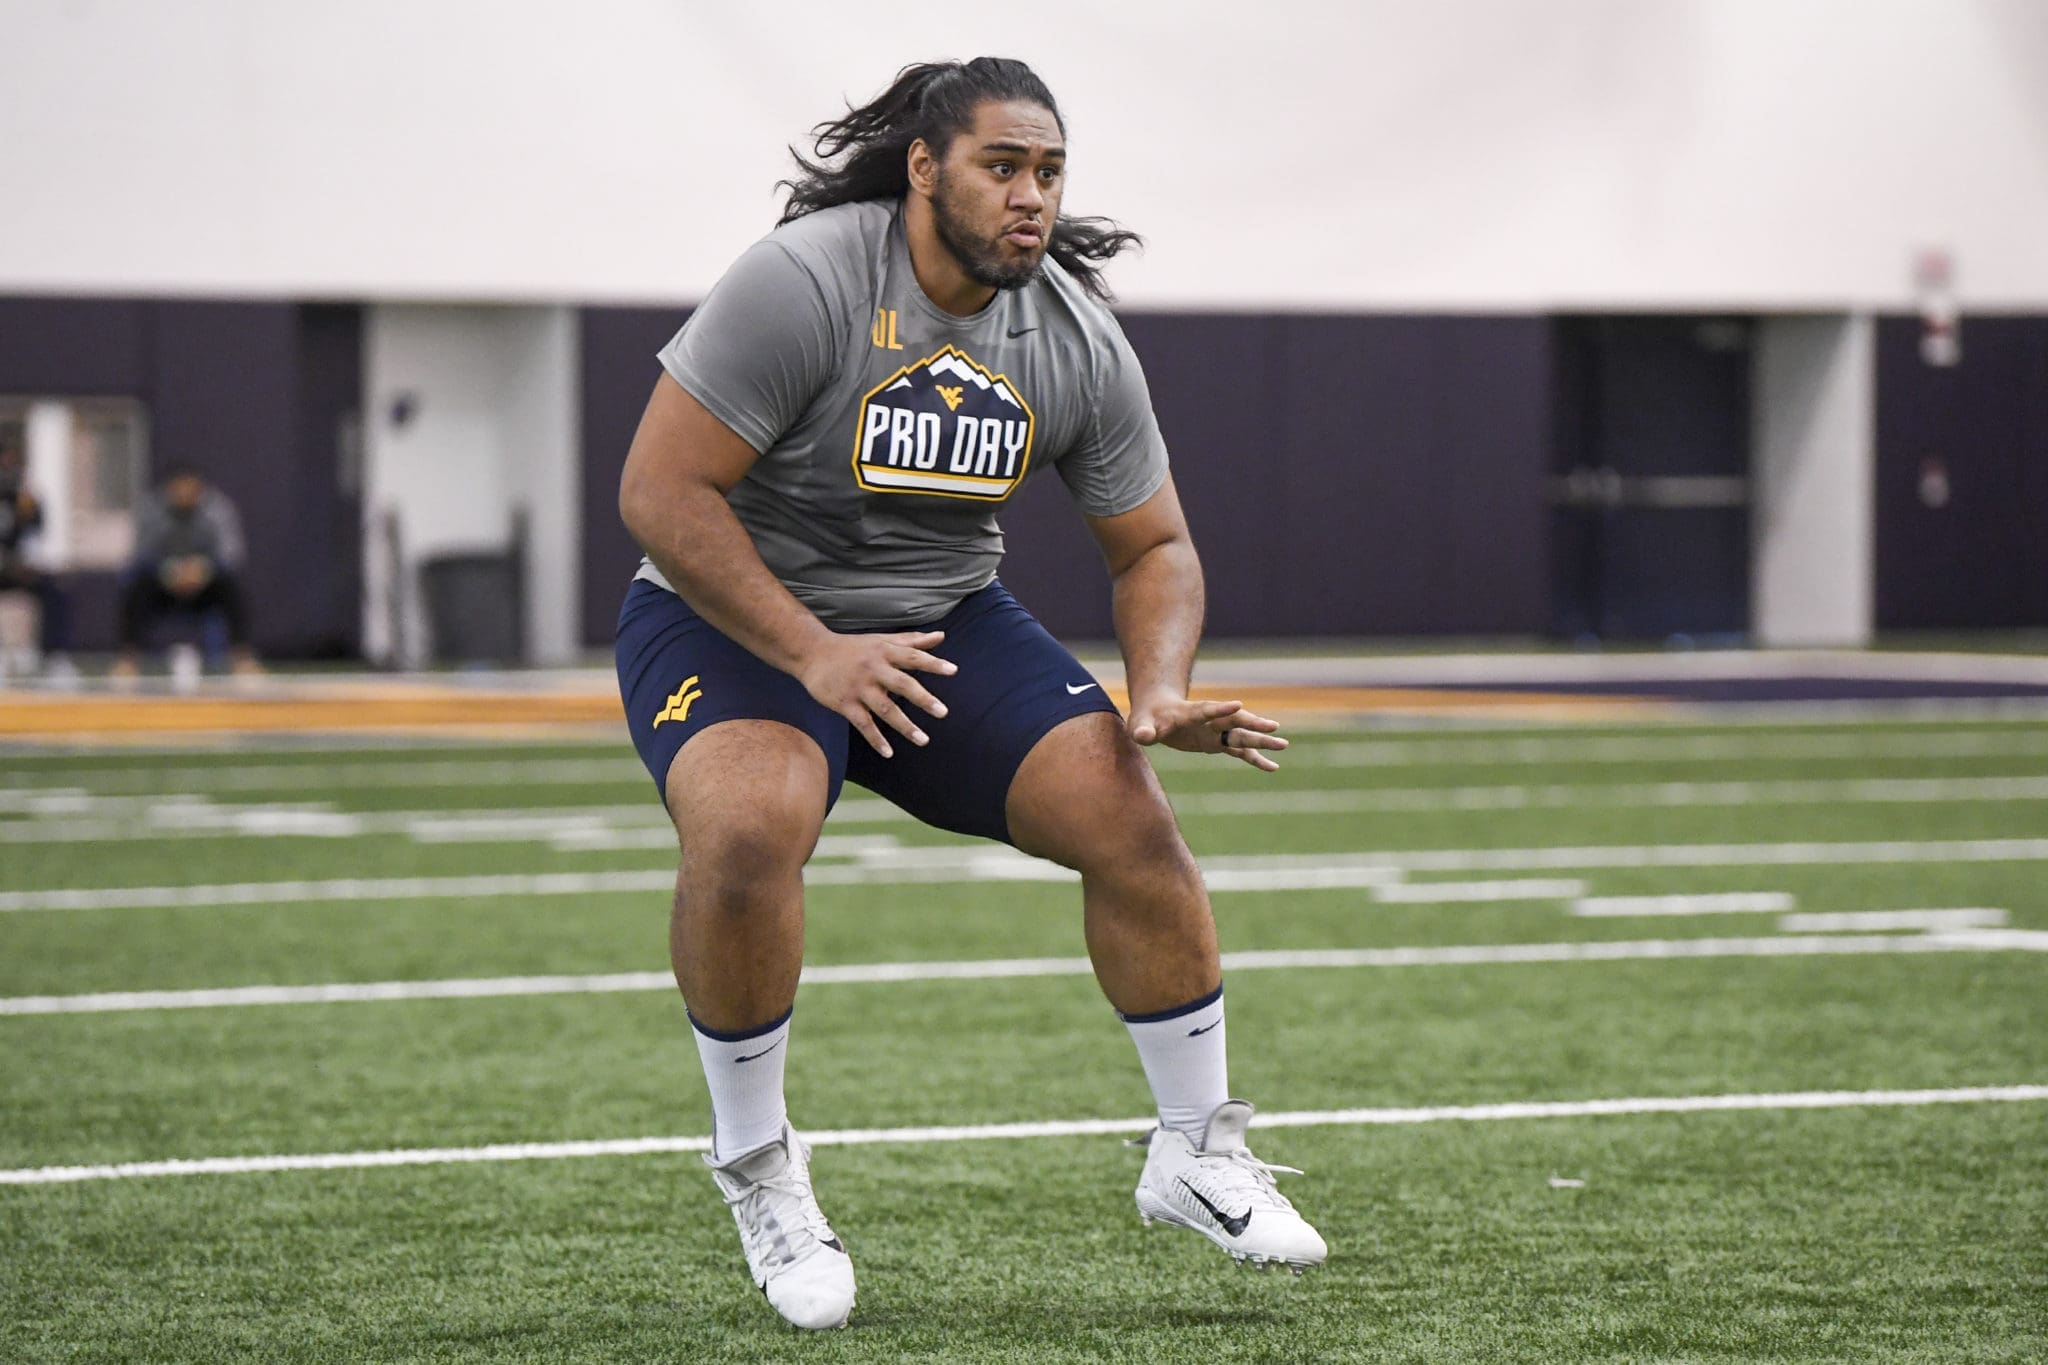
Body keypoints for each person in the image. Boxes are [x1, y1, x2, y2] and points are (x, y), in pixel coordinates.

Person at [615, 57, 1325, 1330]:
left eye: (1048, 171)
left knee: (1127, 812)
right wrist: (810, 651)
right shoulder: (806, 281)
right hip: (733, 618)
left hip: (939, 623)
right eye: (1002, 166)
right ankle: (759, 1166)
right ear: (923, 168)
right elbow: (660, 493)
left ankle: (1194, 1151)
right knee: (748, 828)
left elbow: (1154, 546)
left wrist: (1157, 691)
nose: (1030, 196)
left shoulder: (1069, 334)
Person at [112, 467, 262, 679]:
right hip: (162, 584)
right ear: (169, 489)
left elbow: (230, 553)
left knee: (231, 587)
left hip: (205, 585)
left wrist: (202, 569)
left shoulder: (217, 509)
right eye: (179, 490)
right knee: (137, 588)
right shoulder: (152, 510)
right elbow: (140, 553)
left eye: (190, 490)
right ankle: (128, 661)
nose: (184, 495)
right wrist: (170, 571)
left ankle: (242, 659)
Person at [0, 435, 74, 676]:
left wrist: (25, 562)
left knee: (56, 589)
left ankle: (53, 656)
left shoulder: (26, 500)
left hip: (18, 569)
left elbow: (34, 540)